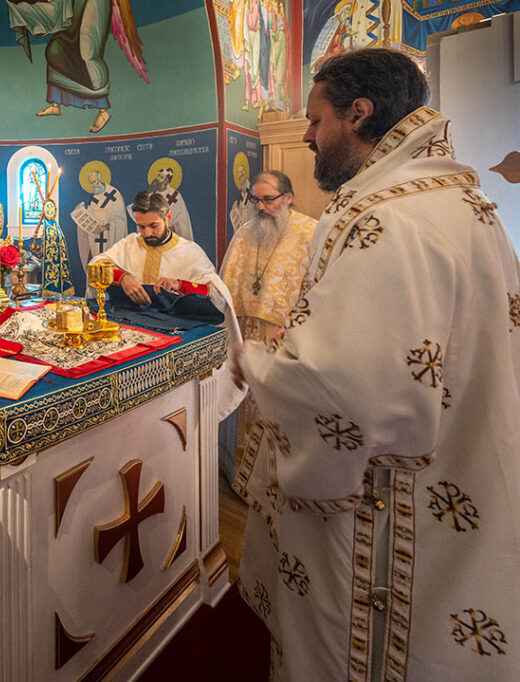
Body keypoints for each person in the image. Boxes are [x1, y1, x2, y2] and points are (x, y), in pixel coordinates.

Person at [232, 48, 520, 680]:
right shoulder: (456, 201)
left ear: (358, 114)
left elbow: (340, 396)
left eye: (314, 119)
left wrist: (253, 363)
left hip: (387, 513)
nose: (305, 135)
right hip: (460, 468)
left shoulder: (389, 217)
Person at [92, 191, 246, 419]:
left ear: (168, 217)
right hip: (133, 344)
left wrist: (180, 285)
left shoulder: (189, 251)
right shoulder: (129, 245)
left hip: (173, 345)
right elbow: (97, 264)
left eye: (153, 226)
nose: (146, 233)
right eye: (140, 227)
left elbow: (217, 294)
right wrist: (122, 277)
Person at [219, 170, 316, 479]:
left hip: (289, 336)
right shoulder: (246, 232)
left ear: (288, 198)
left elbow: (321, 288)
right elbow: (227, 285)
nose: (260, 207)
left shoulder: (312, 233)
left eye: (268, 199)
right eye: (255, 200)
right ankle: (245, 477)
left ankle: (280, 478)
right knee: (248, 406)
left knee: (279, 410)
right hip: (248, 333)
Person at [6, 0, 149, 134]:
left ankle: (103, 111)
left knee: (87, 55)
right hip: (74, 6)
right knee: (56, 48)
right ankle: (55, 105)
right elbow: (57, 8)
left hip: (92, 7)